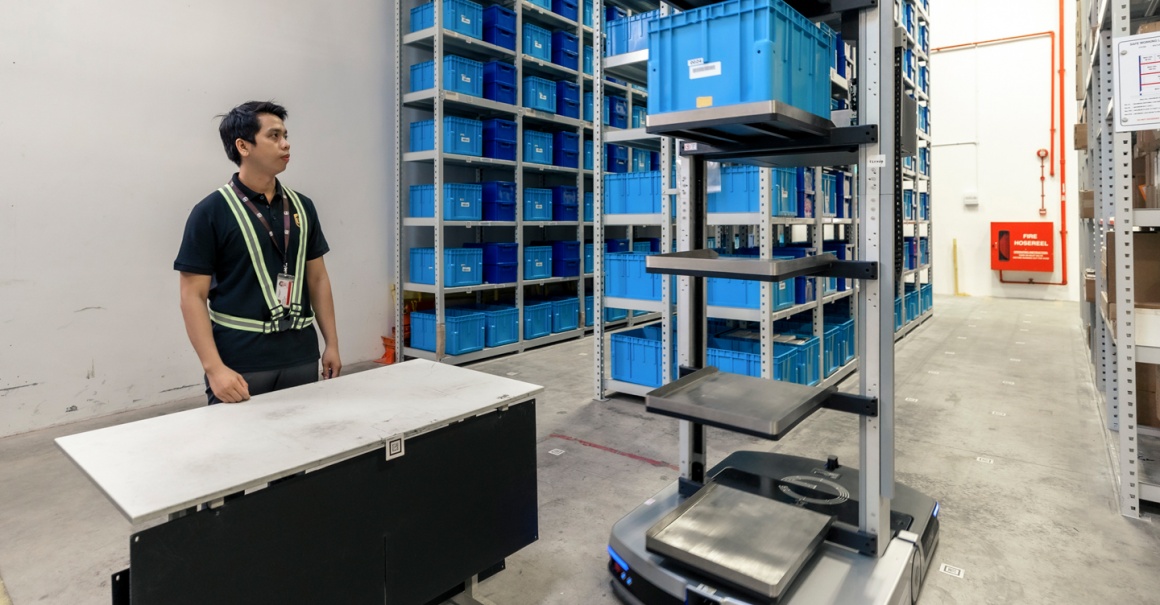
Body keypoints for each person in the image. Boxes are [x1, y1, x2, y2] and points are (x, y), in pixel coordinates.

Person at [175, 101, 340, 404]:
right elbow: (191, 296)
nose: (285, 143)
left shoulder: (303, 207)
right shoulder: (211, 212)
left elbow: (317, 279)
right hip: (240, 362)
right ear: (243, 146)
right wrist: (214, 369)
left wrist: (332, 344)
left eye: (285, 135)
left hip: (300, 355)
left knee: (303, 443)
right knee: (239, 448)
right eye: (274, 136)